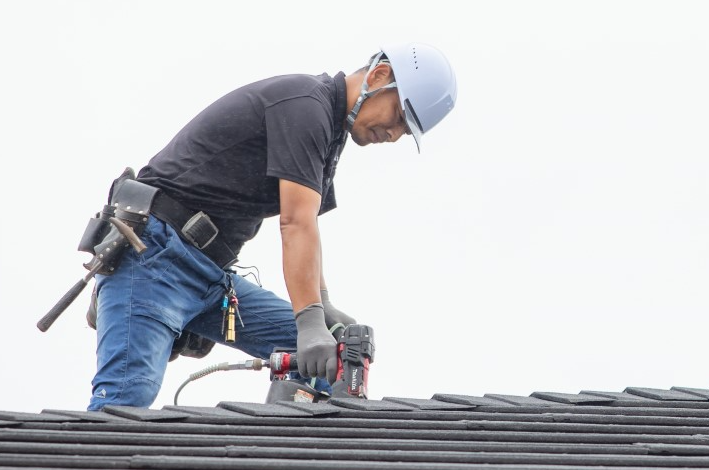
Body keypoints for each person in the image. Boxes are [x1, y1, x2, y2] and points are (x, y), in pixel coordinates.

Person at [84, 44, 456, 410]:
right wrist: (309, 317)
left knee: (326, 362)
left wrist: (321, 307)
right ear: (378, 76)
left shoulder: (329, 133)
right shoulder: (304, 107)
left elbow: (308, 229)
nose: (394, 134)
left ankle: (286, 452)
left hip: (209, 276)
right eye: (399, 117)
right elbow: (295, 223)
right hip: (153, 259)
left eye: (406, 132)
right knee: (125, 402)